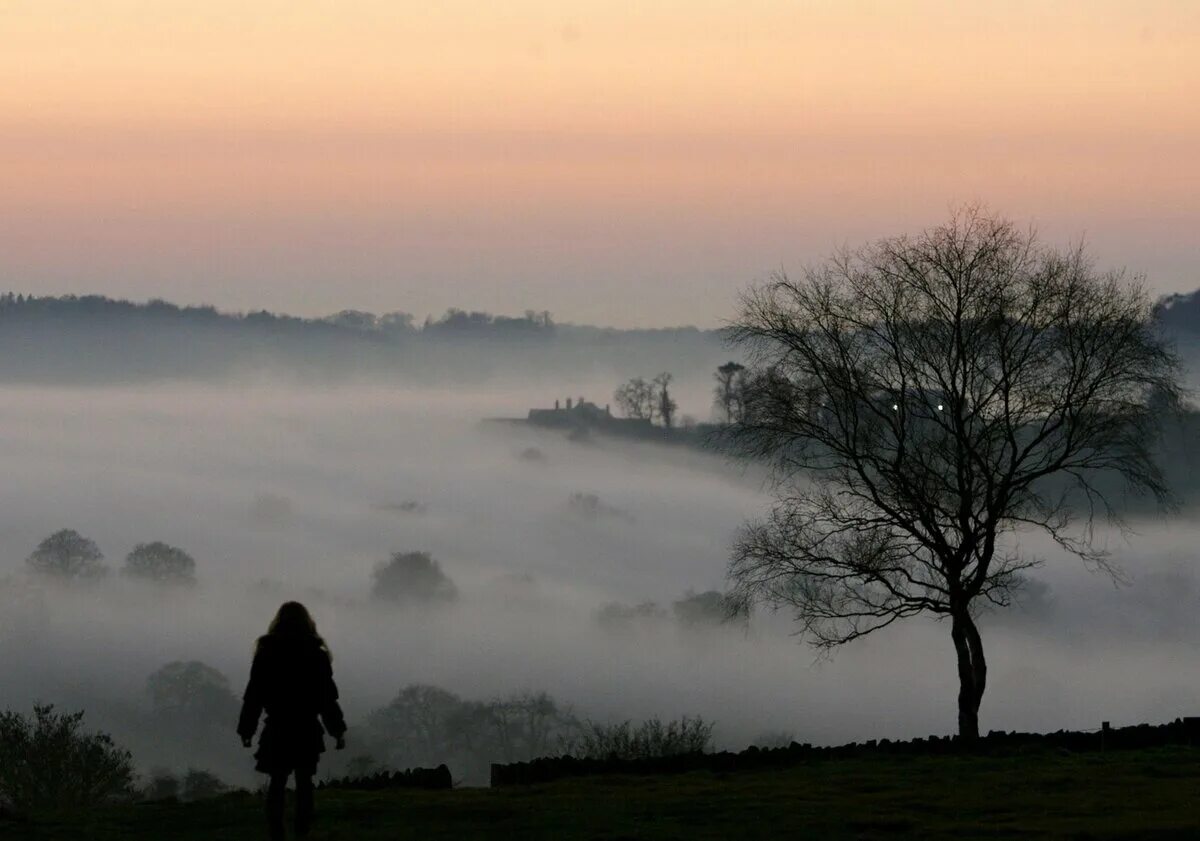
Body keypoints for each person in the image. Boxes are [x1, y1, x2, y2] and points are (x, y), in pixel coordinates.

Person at [238, 601, 347, 840]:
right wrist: (337, 731)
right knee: (304, 784)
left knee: (277, 783)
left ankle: (276, 833)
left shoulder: (267, 653)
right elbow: (327, 698)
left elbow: (254, 695)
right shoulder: (315, 655)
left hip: (277, 727)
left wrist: (247, 730)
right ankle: (302, 833)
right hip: (306, 728)